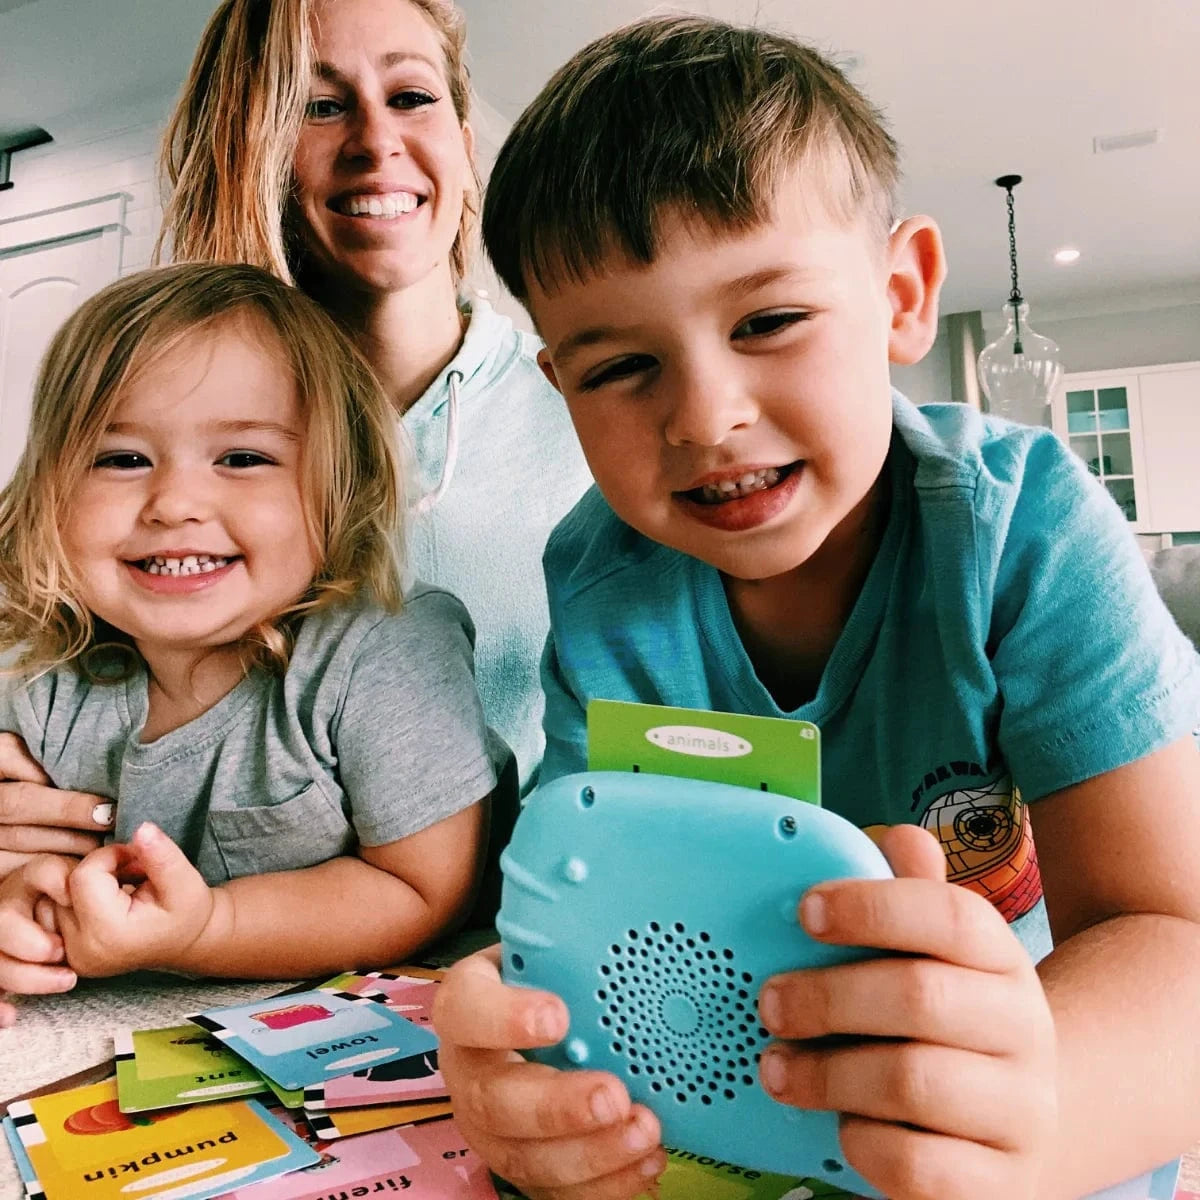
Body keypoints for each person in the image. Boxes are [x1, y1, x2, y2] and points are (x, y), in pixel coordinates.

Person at [430, 16, 1200, 1200]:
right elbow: (583, 907)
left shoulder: (1025, 532)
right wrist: (527, 1074)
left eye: (767, 322)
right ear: (561, 390)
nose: (702, 416)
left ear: (901, 295)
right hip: (741, 1116)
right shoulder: (599, 581)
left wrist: (1010, 1132)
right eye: (620, 367)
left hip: (1040, 1115)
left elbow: (1174, 941)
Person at [0, 0, 591, 869]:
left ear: (466, 142)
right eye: (318, 105)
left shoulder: (598, 410)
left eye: (413, 97)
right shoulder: (147, 426)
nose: (374, 141)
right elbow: (42, 625)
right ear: (250, 148)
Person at [0, 263, 509, 1027]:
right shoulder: (44, 682)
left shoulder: (385, 651)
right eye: (121, 458)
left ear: (340, 489)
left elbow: (423, 891)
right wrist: (23, 914)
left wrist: (208, 927)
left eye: (243, 459)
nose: (174, 504)